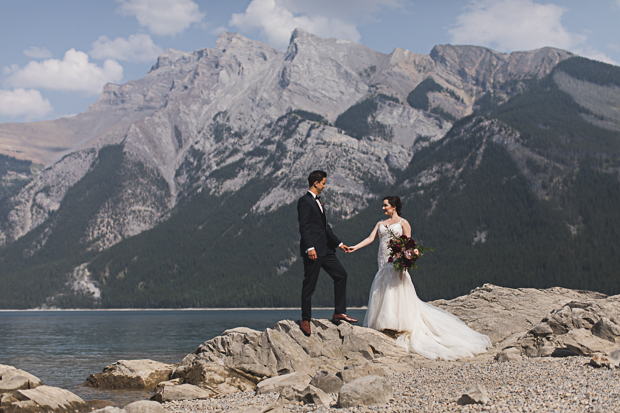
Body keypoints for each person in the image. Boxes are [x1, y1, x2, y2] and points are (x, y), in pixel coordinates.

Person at [348, 196, 491, 360]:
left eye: (385, 205)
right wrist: (355, 247)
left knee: (397, 289)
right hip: (383, 261)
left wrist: (406, 257)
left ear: (394, 207)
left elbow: (408, 243)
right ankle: (386, 323)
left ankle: (398, 325)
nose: (383, 208)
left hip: (396, 262)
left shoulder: (403, 223)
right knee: (383, 288)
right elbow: (370, 238)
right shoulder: (380, 223)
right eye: (383, 205)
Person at [297, 170, 357, 336]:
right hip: (313, 251)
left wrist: (339, 244)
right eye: (323, 183)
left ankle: (339, 312)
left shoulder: (319, 202)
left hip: (326, 249)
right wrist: (309, 248)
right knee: (310, 284)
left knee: (341, 275)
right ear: (315, 183)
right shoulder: (304, 201)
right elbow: (304, 227)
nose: (325, 186)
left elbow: (325, 227)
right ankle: (305, 319)